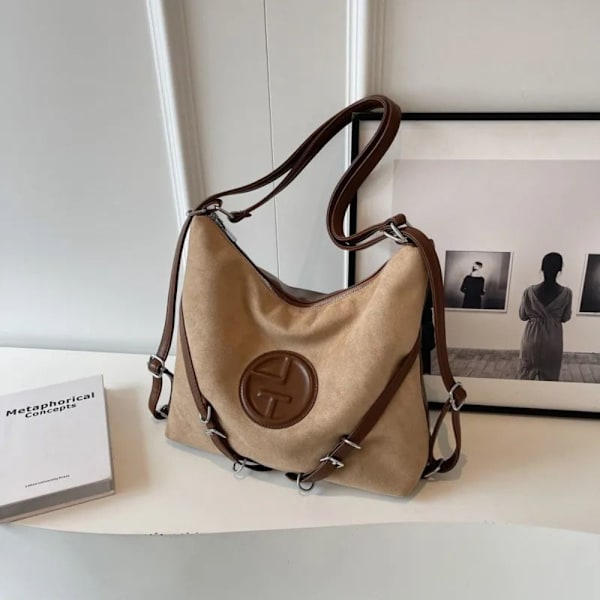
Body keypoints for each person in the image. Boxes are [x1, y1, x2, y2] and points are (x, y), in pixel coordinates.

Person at [517, 252, 572, 381]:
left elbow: (523, 316)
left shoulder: (529, 292)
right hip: (553, 340)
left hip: (532, 338)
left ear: (542, 268)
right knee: (550, 378)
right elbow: (566, 317)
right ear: (560, 270)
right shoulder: (567, 293)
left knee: (525, 375)